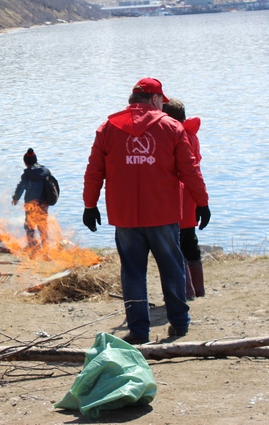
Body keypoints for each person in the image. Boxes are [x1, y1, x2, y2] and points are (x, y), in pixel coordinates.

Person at [82, 77, 211, 344]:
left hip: (125, 215)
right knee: (172, 268)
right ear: (154, 99)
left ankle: (139, 330)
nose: (163, 106)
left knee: (132, 272)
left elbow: (94, 171)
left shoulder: (107, 128)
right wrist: (202, 201)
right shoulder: (171, 127)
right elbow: (190, 169)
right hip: (162, 213)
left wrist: (89, 204)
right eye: (161, 101)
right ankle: (178, 323)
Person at [162, 98, 205, 299]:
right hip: (192, 197)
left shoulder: (178, 137)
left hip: (179, 199)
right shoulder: (192, 135)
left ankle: (185, 291)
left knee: (176, 246)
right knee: (189, 243)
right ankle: (198, 289)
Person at [11, 148, 52, 252]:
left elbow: (21, 187)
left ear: (25, 163)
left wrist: (15, 198)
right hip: (43, 203)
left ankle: (33, 247)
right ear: (36, 160)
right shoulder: (46, 171)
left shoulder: (27, 174)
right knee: (42, 226)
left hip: (31, 204)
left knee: (29, 226)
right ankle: (46, 249)